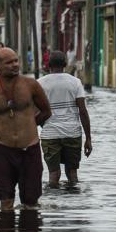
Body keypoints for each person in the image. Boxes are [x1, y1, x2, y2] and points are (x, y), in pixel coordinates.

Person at [0, 47, 52, 211]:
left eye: (16, 61)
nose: (15, 65)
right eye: (9, 62)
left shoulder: (31, 85)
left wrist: (30, 123)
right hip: (3, 150)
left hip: (30, 148)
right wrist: (0, 125)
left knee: (31, 204)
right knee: (6, 202)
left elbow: (46, 111)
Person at [38, 50, 92, 187]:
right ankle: (72, 204)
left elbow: (34, 112)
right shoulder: (75, 82)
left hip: (50, 134)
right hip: (72, 133)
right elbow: (83, 112)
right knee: (72, 173)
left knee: (54, 174)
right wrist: (88, 139)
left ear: (48, 64)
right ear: (65, 64)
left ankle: (53, 202)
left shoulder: (40, 83)